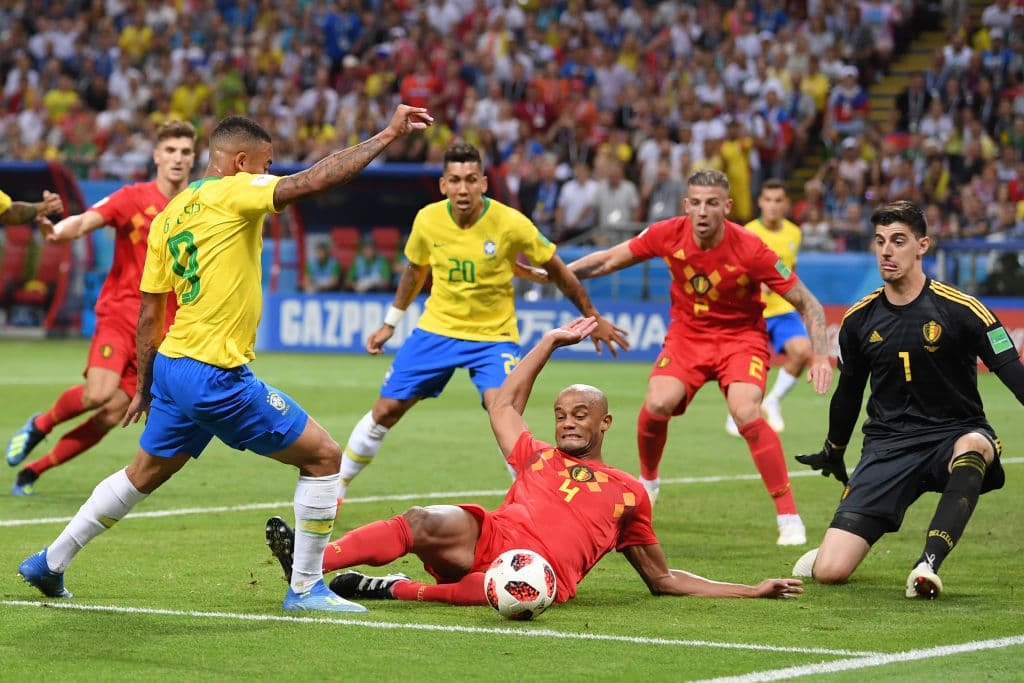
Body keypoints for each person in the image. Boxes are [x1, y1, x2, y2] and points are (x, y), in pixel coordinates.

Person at [16, 104, 434, 613]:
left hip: (172, 364)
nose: (269, 173)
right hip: (213, 373)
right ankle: (305, 588)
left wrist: (147, 385)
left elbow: (150, 314)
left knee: (142, 472)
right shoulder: (238, 188)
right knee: (325, 458)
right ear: (240, 161)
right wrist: (387, 134)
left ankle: (50, 561)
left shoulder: (170, 215)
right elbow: (314, 181)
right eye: (265, 164)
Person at [265, 318, 804, 606]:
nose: (567, 422)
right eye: (561, 414)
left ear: (604, 424)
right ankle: (313, 564)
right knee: (422, 519)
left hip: (540, 575)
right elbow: (503, 405)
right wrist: (547, 342)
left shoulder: (628, 493)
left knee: (501, 587)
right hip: (491, 537)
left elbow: (662, 579)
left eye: (580, 415)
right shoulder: (536, 456)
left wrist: (749, 589)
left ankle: (396, 589)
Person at [335, 142, 627, 499]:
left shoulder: (510, 223)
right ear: (443, 185)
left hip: (493, 336)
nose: (463, 188)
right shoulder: (428, 220)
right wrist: (390, 323)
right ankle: (335, 488)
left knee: (504, 414)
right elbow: (414, 272)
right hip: (437, 329)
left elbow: (557, 269)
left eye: (471, 179)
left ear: (484, 183)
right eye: (455, 180)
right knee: (385, 410)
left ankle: (535, 502)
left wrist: (591, 315)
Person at [566, 169, 833, 546]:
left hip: (740, 338)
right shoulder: (666, 233)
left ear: (727, 206)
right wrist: (556, 273)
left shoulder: (752, 249)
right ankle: (649, 481)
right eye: (696, 202)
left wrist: (820, 355)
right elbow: (608, 260)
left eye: (712, 203)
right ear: (685, 205)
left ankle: (788, 515)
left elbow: (807, 302)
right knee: (657, 402)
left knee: (745, 411)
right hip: (687, 337)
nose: (703, 211)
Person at [792, 201, 1014, 599]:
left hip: (952, 435)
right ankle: (830, 548)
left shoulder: (962, 310)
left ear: (922, 245)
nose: (886, 251)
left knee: (977, 444)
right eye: (879, 242)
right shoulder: (859, 320)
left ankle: (927, 565)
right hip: (888, 447)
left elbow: (1013, 370)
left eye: (898, 241)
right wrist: (833, 448)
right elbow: (849, 392)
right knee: (829, 572)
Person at [6, 120, 197, 496]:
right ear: (157, 155)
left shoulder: (198, 208)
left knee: (113, 414)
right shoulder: (132, 197)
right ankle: (41, 424)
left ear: (194, 158)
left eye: (185, 152)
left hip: (163, 332)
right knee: (97, 393)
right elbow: (85, 222)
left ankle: (33, 470)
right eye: (171, 150)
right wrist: (58, 232)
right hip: (121, 313)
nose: (177, 159)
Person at [725, 179, 812, 436]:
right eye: (768, 200)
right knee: (747, 368)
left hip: (783, 309)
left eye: (778, 201)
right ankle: (736, 414)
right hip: (753, 311)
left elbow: (789, 268)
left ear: (786, 204)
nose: (773, 206)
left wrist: (791, 292)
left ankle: (771, 401)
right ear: (760, 202)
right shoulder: (747, 232)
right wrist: (756, 282)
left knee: (802, 351)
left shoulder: (794, 233)